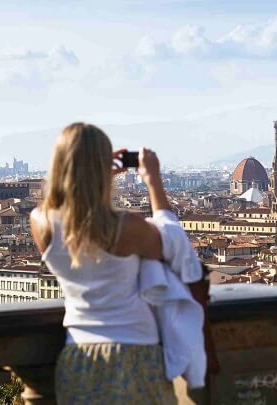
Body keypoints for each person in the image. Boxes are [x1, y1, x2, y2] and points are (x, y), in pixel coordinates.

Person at [30, 123, 184, 404]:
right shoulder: (127, 227)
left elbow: (67, 212)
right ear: (103, 165)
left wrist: (88, 175)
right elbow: (172, 242)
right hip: (136, 351)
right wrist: (153, 181)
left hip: (79, 355)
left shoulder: (41, 223)